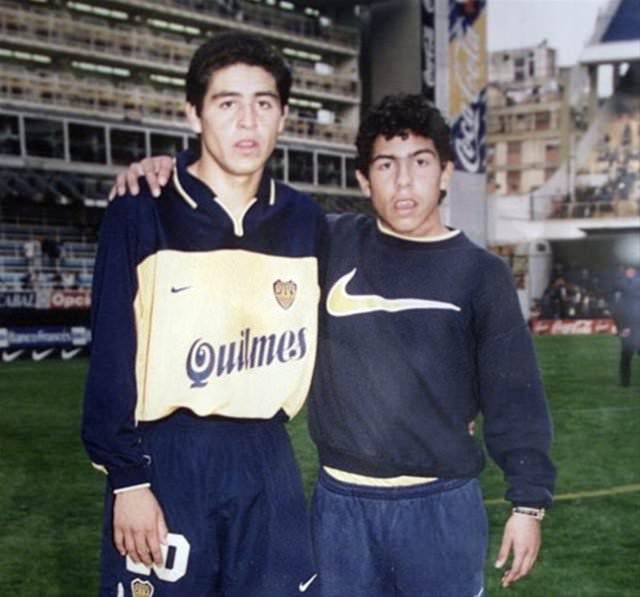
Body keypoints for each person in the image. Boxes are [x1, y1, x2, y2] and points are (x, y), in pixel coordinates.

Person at [114, 94, 556, 596]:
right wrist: (172, 173)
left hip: (441, 505)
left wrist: (528, 504)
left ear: (446, 172)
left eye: (420, 162)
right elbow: (236, 216)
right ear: (364, 180)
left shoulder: (481, 273)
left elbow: (514, 396)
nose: (404, 181)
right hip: (341, 507)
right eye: (386, 165)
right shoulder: (328, 243)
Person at [83, 32, 324, 597]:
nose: (247, 121)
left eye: (263, 103)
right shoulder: (143, 209)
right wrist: (129, 481)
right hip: (168, 459)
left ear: (284, 117)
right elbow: (111, 355)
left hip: (268, 458)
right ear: (194, 113)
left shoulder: (306, 221)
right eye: (226, 102)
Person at [612, 265, 640, 387]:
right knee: (626, 357)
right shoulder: (622, 298)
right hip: (628, 329)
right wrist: (622, 329)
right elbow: (616, 314)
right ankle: (625, 382)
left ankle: (625, 383)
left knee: (626, 357)